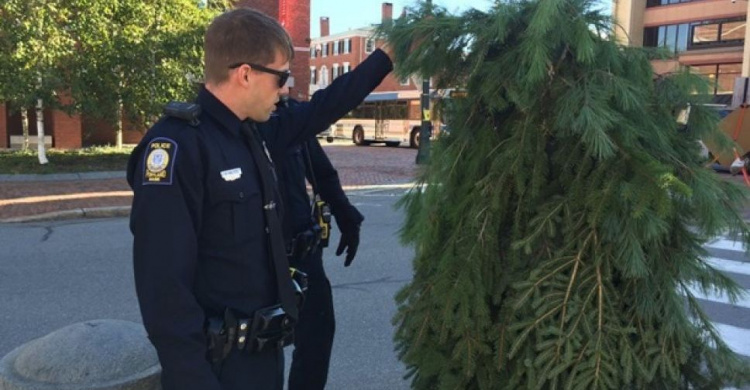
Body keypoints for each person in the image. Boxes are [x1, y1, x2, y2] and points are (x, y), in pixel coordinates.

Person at [126, 7, 393, 390]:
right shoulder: (179, 148)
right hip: (216, 369)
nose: (285, 88)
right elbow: (163, 289)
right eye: (281, 76)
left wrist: (386, 57)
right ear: (245, 73)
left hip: (262, 356)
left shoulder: (254, 133)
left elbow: (323, 108)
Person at [267, 97, 364, 390]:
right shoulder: (239, 121)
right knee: (264, 349)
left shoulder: (292, 115)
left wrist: (346, 214)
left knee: (317, 337)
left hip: (305, 256)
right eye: (279, 73)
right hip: (262, 260)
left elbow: (321, 172)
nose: (283, 84)